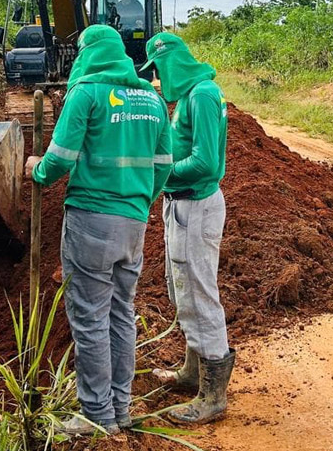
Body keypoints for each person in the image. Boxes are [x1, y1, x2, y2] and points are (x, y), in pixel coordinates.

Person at [28, 25, 172, 437]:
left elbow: (59, 158)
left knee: (90, 318)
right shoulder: (152, 98)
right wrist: (141, 202)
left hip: (92, 217)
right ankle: (120, 409)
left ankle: (96, 416)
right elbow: (163, 165)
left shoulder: (86, 92)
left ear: (87, 53)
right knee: (122, 313)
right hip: (134, 222)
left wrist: (36, 170)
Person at [141, 32, 234, 424]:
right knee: (180, 286)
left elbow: (207, 163)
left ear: (169, 62)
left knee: (198, 292)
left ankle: (213, 394)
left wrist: (160, 175)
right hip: (182, 204)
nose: (157, 78)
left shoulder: (202, 95)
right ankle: (193, 370)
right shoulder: (192, 95)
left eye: (158, 69)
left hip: (195, 204)